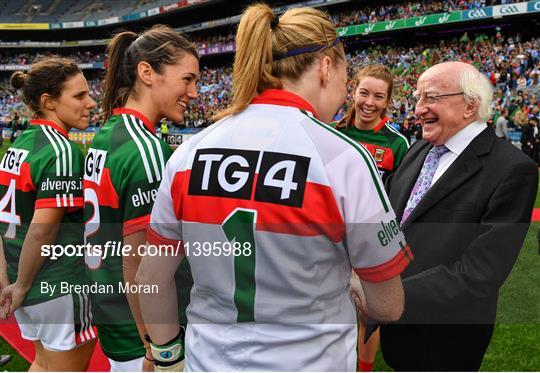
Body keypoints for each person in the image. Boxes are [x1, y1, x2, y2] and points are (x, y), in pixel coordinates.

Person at [137, 4, 409, 371]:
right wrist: (355, 288)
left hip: (209, 361)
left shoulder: (189, 153)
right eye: (347, 73)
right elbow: (388, 305)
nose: (347, 89)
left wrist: (168, 356)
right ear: (327, 67)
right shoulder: (342, 158)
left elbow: (151, 277)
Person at [379, 61, 538, 371]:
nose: (418, 109)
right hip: (398, 331)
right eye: (417, 98)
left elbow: (480, 272)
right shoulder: (419, 151)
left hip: (447, 339)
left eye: (431, 98)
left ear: (470, 105)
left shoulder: (511, 169)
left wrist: (389, 295)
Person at [83, 25, 199, 371]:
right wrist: (156, 348)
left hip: (115, 318)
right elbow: (139, 263)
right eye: (187, 79)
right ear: (147, 73)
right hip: (149, 331)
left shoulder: (105, 136)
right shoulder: (147, 150)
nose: (194, 92)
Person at [0, 56, 97, 371]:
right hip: (56, 284)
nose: (91, 103)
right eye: (79, 96)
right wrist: (24, 284)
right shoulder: (62, 151)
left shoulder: (20, 144)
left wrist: (8, 280)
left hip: (24, 282)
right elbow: (43, 230)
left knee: (43, 364)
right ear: (49, 102)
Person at [335, 64, 409, 371]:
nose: (369, 102)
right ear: (353, 91)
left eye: (379, 96)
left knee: (369, 314)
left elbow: (400, 199)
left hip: (370, 241)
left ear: (388, 101)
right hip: (330, 238)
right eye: (364, 92)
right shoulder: (333, 131)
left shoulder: (397, 144)